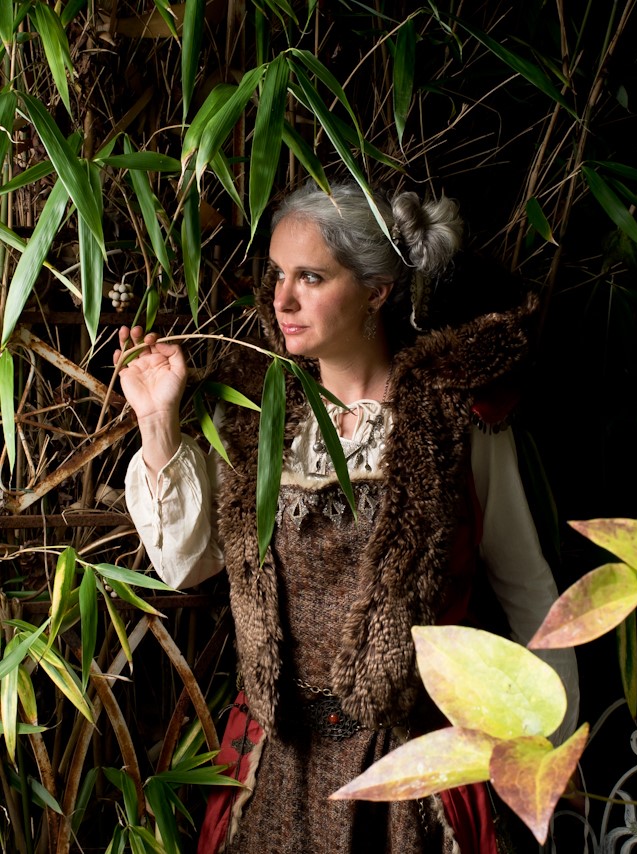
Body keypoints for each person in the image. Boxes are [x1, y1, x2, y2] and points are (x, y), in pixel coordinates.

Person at [115, 180, 579, 853]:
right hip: (274, 760)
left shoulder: (455, 421)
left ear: (377, 290)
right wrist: (156, 420)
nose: (283, 300)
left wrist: (547, 751)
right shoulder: (255, 418)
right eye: (278, 274)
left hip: (415, 764)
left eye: (311, 277)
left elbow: (527, 589)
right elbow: (187, 566)